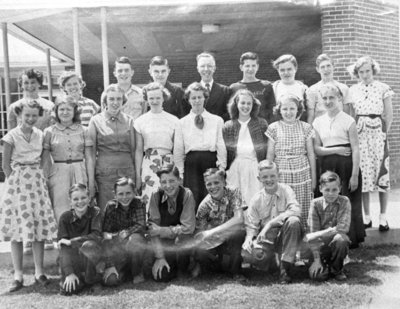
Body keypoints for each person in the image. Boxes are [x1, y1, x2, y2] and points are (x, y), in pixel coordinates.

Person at [0, 100, 57, 292]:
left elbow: (43, 160)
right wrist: (16, 183)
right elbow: (5, 165)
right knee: (18, 230)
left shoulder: (40, 134)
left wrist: (40, 177)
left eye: (34, 115)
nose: (31, 119)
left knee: (38, 228)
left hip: (36, 183)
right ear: (19, 115)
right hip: (18, 184)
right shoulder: (11, 136)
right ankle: (18, 274)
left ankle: (39, 272)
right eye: (27, 115)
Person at [313, 83, 364, 247]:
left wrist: (355, 175)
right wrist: (336, 150)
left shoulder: (348, 120)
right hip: (327, 165)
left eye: (332, 98)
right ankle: (327, 238)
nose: (328, 101)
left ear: (340, 98)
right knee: (328, 199)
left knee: (347, 199)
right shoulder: (318, 121)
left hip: (346, 166)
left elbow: (355, 148)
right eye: (325, 98)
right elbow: (317, 149)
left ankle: (351, 238)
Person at [347, 56, 394, 231]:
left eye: (368, 71)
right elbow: (351, 115)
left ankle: (383, 217)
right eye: (361, 72)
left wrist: (383, 133)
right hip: (360, 135)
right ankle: (367, 217)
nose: (365, 75)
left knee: (382, 174)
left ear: (373, 70)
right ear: (357, 73)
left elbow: (388, 115)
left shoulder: (383, 88)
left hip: (378, 135)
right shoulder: (353, 90)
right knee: (364, 175)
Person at [242, 160, 302, 284]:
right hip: (268, 240)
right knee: (250, 253)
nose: (269, 179)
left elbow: (295, 210)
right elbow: (252, 225)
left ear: (278, 175)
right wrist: (248, 239)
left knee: (293, 221)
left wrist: (270, 224)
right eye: (265, 177)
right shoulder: (256, 199)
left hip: (285, 237)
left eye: (272, 176)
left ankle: (285, 269)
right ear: (259, 178)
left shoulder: (286, 190)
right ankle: (272, 263)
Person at [266, 94, 316, 229]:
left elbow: (311, 154)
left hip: (302, 172)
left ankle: (302, 234)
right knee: (282, 203)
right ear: (279, 110)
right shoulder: (273, 127)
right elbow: (270, 155)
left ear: (298, 110)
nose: (288, 112)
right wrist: (268, 177)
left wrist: (314, 179)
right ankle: (282, 234)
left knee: (302, 203)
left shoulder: (305, 127)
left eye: (292, 109)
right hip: (282, 172)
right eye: (285, 109)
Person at [174, 82, 227, 208]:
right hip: (192, 164)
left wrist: (222, 166)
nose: (197, 100)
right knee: (193, 195)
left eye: (199, 97)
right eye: (193, 98)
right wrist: (180, 173)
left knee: (212, 194)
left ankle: (212, 225)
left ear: (205, 98)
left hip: (211, 162)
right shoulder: (182, 123)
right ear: (188, 100)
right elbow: (178, 149)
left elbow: (221, 144)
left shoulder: (217, 120)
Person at [43, 95, 95, 221]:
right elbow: (45, 159)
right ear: (56, 111)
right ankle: (61, 237)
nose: (65, 112)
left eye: (68, 109)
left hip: (79, 170)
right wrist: (44, 180)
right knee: (60, 205)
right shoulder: (49, 131)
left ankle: (81, 237)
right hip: (58, 173)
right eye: (61, 109)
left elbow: (89, 158)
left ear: (75, 112)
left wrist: (91, 182)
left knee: (81, 203)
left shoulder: (84, 130)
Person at [88, 84, 136, 212]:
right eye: (111, 99)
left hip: (127, 170)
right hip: (105, 173)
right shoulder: (96, 121)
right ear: (105, 101)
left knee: (128, 207)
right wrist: (91, 180)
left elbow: (134, 149)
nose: (115, 103)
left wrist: (136, 174)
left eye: (119, 99)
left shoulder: (130, 121)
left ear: (123, 101)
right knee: (107, 208)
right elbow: (91, 154)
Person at [145, 164, 196, 282]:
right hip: (164, 244)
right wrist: (160, 257)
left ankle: (185, 268)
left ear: (179, 180)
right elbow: (152, 229)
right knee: (162, 276)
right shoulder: (156, 195)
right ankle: (170, 266)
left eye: (172, 181)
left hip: (181, 240)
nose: (168, 186)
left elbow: (188, 228)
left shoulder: (187, 194)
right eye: (164, 182)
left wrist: (162, 230)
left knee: (183, 239)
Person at [193, 168, 247, 278]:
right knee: (200, 249)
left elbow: (239, 218)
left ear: (224, 182)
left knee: (239, 232)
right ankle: (213, 267)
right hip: (214, 241)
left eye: (216, 182)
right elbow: (200, 233)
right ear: (205, 185)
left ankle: (236, 272)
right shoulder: (204, 206)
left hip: (231, 237)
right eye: (209, 184)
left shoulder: (233, 192)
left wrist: (211, 231)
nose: (213, 187)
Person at [134, 82, 179, 208]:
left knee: (169, 195)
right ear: (146, 99)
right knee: (150, 197)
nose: (154, 101)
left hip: (169, 162)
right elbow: (138, 150)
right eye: (151, 98)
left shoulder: (174, 120)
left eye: (158, 98)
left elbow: (177, 148)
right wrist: (138, 175)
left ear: (163, 98)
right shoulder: (140, 121)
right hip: (149, 163)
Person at [223, 89, 268, 205]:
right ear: (236, 104)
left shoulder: (261, 124)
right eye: (242, 103)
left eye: (249, 103)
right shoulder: (228, 126)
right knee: (236, 200)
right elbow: (225, 151)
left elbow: (267, 149)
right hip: (235, 167)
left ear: (253, 105)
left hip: (255, 166)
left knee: (255, 199)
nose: (245, 106)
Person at [304, 171, 351, 281]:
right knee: (319, 276)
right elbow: (312, 234)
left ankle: (337, 269)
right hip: (319, 246)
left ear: (340, 188)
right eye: (327, 190)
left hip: (335, 243)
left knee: (341, 239)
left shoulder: (344, 201)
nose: (331, 193)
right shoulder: (315, 203)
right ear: (320, 189)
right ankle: (321, 264)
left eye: (334, 189)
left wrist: (324, 232)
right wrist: (316, 260)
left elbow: (343, 227)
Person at [58, 183, 103, 295]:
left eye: (83, 197)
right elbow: (63, 246)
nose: (80, 201)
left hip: (91, 258)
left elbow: (96, 235)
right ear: (70, 201)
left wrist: (72, 242)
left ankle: (91, 280)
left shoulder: (95, 212)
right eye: (75, 199)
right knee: (68, 290)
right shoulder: (65, 218)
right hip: (73, 260)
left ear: (89, 199)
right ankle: (77, 278)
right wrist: (69, 273)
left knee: (89, 245)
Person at [101, 177, 148, 286]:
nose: (125, 197)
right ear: (115, 194)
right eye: (120, 194)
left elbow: (141, 225)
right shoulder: (110, 206)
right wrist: (110, 264)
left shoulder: (139, 203)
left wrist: (126, 233)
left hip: (135, 245)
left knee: (134, 239)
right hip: (118, 246)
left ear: (134, 192)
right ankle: (120, 270)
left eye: (128, 193)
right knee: (112, 281)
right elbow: (105, 233)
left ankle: (137, 273)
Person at [229, 52, 276, 124]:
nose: (250, 69)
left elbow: (272, 112)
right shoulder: (234, 88)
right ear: (241, 67)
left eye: (253, 66)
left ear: (257, 67)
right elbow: (231, 112)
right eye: (247, 66)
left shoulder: (266, 86)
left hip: (262, 129)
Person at [306, 54, 350, 123]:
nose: (326, 69)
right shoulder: (312, 90)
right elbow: (311, 115)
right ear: (318, 69)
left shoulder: (343, 88)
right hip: (320, 128)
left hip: (339, 126)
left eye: (328, 66)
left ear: (333, 67)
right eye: (322, 67)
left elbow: (347, 115)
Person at [271, 54, 308, 122]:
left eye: (289, 69)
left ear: (295, 69)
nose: (286, 73)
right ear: (278, 71)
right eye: (282, 70)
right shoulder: (273, 88)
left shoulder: (303, 88)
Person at [196, 52, 231, 120]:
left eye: (209, 66)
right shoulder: (192, 91)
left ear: (214, 68)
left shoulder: (225, 91)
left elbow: (228, 115)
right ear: (198, 69)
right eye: (202, 66)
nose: (206, 69)